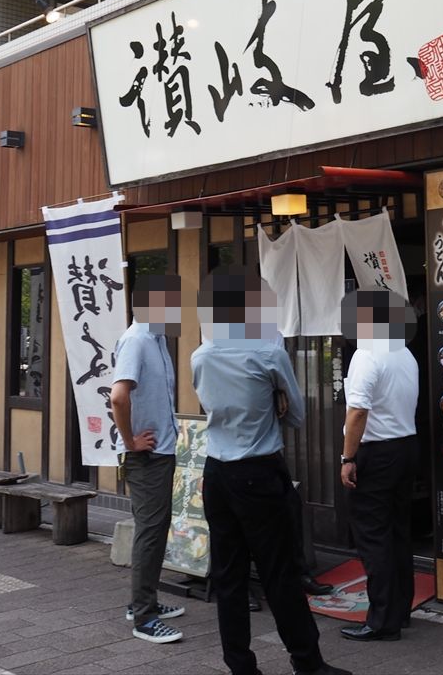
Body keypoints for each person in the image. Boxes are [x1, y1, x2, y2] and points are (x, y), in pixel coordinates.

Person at [193, 266, 350, 675]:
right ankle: (308, 663)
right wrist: (275, 398)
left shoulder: (201, 356)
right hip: (259, 472)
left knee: (229, 576)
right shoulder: (267, 352)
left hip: (217, 473)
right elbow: (296, 415)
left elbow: (213, 408)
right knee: (280, 573)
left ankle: (241, 666)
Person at [338, 289, 419, 642]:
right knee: (398, 531)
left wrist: (348, 458)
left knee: (373, 536)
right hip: (406, 446)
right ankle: (400, 611)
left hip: (377, 452)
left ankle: (383, 621)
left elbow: (358, 411)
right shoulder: (403, 352)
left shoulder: (367, 354)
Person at [111, 274, 186, 643]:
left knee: (154, 530)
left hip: (160, 452)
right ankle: (144, 618)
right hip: (148, 457)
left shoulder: (156, 339)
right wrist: (130, 441)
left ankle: (145, 602)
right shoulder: (138, 340)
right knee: (150, 533)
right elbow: (118, 396)